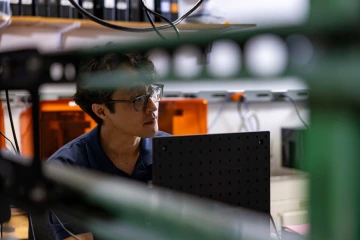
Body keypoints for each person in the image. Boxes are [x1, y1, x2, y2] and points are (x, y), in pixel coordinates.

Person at [47, 52, 170, 240]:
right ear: (101, 110)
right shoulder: (66, 170)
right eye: (137, 99)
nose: (152, 106)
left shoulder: (171, 151)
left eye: (151, 92)